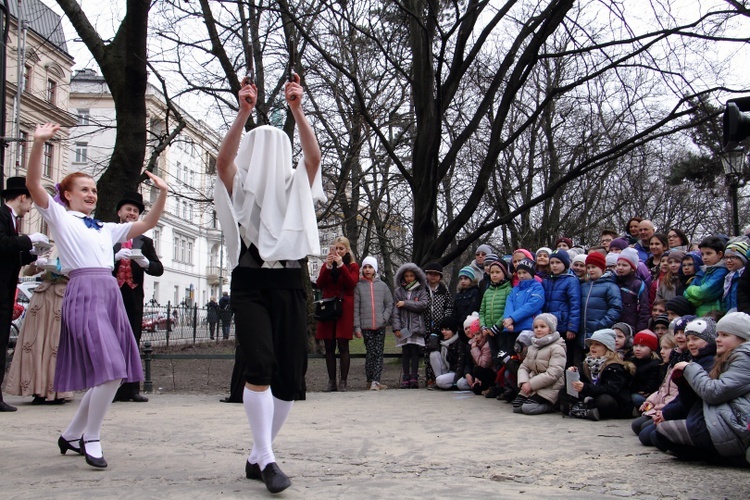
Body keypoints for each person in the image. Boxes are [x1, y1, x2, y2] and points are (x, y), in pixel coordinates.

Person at [26, 122, 168, 469]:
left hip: (109, 295)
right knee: (111, 371)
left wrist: (162, 193)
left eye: (93, 189)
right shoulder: (60, 216)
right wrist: (37, 143)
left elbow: (146, 225)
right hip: (84, 292)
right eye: (84, 189)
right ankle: (91, 436)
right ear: (68, 195)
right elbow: (32, 184)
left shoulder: (105, 228)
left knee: (112, 372)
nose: (91, 194)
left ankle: (72, 434)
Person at [214, 75, 323, 493]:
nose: (270, 151)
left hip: (291, 282)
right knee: (259, 364)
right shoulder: (239, 187)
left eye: (279, 144)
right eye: (263, 143)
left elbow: (312, 160)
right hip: (250, 282)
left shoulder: (295, 187)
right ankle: (269, 459)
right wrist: (244, 112)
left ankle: (259, 453)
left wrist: (297, 110)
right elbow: (224, 163)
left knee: (291, 377)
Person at [653, 312, 750, 464]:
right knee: (658, 434)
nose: (718, 339)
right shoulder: (728, 357)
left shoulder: (744, 358)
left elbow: (713, 392)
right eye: (718, 334)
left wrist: (690, 368)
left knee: (662, 434)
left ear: (742, 338)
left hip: (738, 426)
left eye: (724, 335)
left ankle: (731, 458)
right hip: (728, 419)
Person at [112, 191, 164, 403]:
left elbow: (158, 269)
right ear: (119, 212)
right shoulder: (108, 234)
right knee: (111, 341)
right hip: (111, 294)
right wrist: (113, 257)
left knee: (132, 340)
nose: (131, 213)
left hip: (133, 296)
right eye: (128, 210)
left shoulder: (144, 241)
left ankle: (131, 389)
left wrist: (145, 263)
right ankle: (110, 389)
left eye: (135, 211)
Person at [1, 176, 46, 412]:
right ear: (22, 197)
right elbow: (3, 243)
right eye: (30, 203)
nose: (30, 209)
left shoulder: (10, 219)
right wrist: (27, 239)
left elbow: (11, 255)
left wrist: (33, 254)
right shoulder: (1, 215)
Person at [5, 246, 73, 405]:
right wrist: (37, 262)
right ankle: (37, 389)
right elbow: (28, 273)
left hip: (62, 296)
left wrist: (60, 269)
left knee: (56, 343)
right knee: (36, 342)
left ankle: (57, 390)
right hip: (42, 297)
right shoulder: (48, 247)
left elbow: (81, 272)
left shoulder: (74, 244)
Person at [561, 328, 634, 421]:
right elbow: (584, 382)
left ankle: (579, 410)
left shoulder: (615, 366)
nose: (592, 347)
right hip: (592, 396)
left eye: (597, 344)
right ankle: (585, 411)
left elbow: (611, 390)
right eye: (591, 344)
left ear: (607, 347)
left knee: (605, 400)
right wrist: (574, 373)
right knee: (564, 391)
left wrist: (584, 387)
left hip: (614, 401)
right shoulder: (588, 362)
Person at [315, 237, 359, 392]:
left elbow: (351, 283)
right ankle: (331, 381)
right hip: (328, 307)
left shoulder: (352, 266)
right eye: (336, 248)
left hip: (343, 307)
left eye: (341, 248)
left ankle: (344, 382)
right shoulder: (326, 265)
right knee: (328, 345)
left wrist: (341, 265)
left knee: (343, 344)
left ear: (347, 250)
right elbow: (320, 284)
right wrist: (327, 267)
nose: (338, 251)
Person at [353, 256, 393, 391]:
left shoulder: (382, 286)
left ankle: (376, 381)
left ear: (375, 269)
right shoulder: (358, 286)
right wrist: (357, 327)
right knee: (371, 352)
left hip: (380, 325)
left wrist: (384, 317)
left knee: (379, 352)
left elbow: (389, 303)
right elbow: (356, 308)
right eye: (365, 267)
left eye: (370, 267)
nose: (367, 270)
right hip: (366, 326)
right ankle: (369, 380)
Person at [513, 314, 566, 415]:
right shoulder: (533, 347)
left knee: (528, 408)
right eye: (536, 327)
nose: (538, 329)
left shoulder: (557, 348)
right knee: (517, 407)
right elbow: (524, 367)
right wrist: (524, 382)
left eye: (543, 326)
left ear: (550, 329)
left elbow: (553, 373)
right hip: (533, 385)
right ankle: (535, 398)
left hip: (550, 386)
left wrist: (531, 384)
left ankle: (553, 405)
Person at [391, 263, 428, 389]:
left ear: (416, 276)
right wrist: (396, 328)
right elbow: (395, 311)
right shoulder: (398, 291)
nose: (409, 278)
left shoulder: (421, 290)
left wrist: (405, 303)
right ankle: (406, 377)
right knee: (405, 352)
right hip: (403, 327)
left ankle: (414, 376)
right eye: (406, 276)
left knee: (415, 352)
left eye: (411, 275)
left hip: (416, 327)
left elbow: (423, 305)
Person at [542, 249, 581, 368]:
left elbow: (575, 304)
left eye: (558, 262)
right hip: (550, 326)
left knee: (565, 358)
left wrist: (572, 327)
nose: (554, 265)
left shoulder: (571, 280)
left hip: (564, 326)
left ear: (565, 264)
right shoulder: (547, 280)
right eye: (552, 262)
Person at [501, 258, 544, 354]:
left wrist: (512, 318)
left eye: (524, 272)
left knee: (526, 356)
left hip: (528, 328)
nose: (521, 275)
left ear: (531, 273)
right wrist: (508, 321)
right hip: (512, 329)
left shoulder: (537, 287)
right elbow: (509, 305)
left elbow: (532, 306)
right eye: (519, 273)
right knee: (511, 356)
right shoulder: (515, 289)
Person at [684, 236, 728, 316]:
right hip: (700, 313)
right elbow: (685, 292)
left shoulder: (722, 271)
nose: (704, 257)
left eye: (708, 253)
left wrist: (697, 297)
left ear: (720, 254)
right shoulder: (702, 271)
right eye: (702, 254)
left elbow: (704, 292)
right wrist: (700, 299)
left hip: (715, 313)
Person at [615, 247, 650, 333]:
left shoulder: (638, 285)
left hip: (632, 327)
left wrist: (639, 330)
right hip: (616, 326)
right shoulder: (614, 281)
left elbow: (644, 310)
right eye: (618, 264)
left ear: (633, 268)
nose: (620, 268)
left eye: (624, 265)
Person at [430, 317, 467, 390]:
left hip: (456, 372)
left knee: (440, 381)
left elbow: (460, 364)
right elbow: (431, 347)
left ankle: (450, 384)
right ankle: (439, 381)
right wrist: (434, 336)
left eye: (447, 329)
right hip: (447, 370)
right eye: (442, 329)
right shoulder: (442, 341)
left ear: (453, 330)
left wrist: (457, 379)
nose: (443, 332)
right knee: (434, 354)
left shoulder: (459, 342)